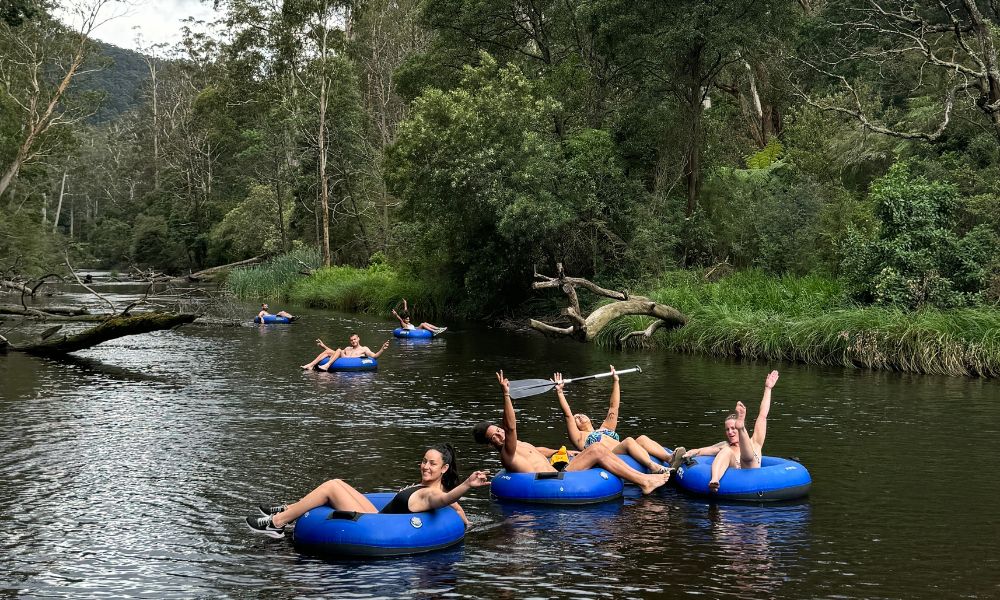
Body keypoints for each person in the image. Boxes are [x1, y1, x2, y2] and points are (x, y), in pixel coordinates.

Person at [471, 371, 671, 495]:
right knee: (597, 450)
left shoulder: (519, 445)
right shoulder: (507, 454)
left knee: (598, 448)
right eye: (494, 437)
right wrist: (506, 394)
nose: (500, 435)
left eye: (498, 430)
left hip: (561, 468)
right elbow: (511, 427)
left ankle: (648, 474)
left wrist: (564, 452)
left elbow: (539, 451)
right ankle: (644, 481)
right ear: (490, 445)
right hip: (556, 478)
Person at [246, 443, 489, 538]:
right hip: (377, 513)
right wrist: (466, 522)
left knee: (331, 486)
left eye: (432, 463)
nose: (425, 466)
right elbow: (453, 505)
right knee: (338, 482)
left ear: (444, 468)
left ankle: (277, 523)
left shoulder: (432, 494)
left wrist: (467, 485)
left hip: (375, 523)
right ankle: (289, 509)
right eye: (424, 460)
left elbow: (446, 499)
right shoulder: (428, 487)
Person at [553, 366, 685, 475]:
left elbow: (613, 406)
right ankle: (653, 466)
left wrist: (616, 381)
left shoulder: (606, 428)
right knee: (628, 441)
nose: (579, 417)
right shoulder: (580, 437)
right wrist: (560, 392)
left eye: (580, 414)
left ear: (590, 419)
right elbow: (568, 415)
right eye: (576, 418)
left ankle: (669, 459)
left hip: (623, 450)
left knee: (642, 438)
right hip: (611, 456)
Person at [681, 370, 779, 492]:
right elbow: (702, 451)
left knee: (748, 457)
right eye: (727, 429)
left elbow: (763, 415)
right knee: (726, 450)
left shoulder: (756, 441)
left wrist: (768, 388)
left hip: (751, 468)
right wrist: (689, 453)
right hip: (737, 474)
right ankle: (715, 479)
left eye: (733, 428)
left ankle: (741, 427)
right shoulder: (725, 446)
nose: (730, 432)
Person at [300, 334, 390, 370]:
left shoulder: (364, 349)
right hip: (344, 358)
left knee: (339, 350)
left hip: (354, 361)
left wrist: (382, 349)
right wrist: (323, 346)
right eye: (351, 340)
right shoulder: (348, 348)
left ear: (358, 339)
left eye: (355, 339)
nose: (353, 341)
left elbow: (374, 357)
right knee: (331, 351)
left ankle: (327, 365)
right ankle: (310, 365)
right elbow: (335, 353)